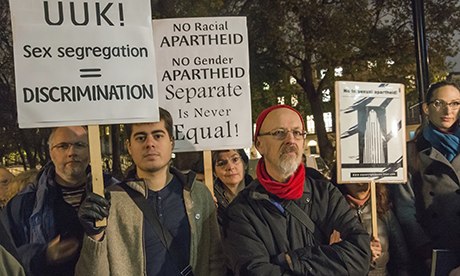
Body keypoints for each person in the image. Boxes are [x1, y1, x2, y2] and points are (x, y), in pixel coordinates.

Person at [222, 104, 371, 275]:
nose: (291, 140)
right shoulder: (241, 212)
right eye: (279, 133)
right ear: (259, 144)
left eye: (298, 133)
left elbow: (359, 255)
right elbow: (255, 272)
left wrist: (290, 261)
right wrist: (330, 258)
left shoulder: (325, 193)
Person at [76, 107, 225, 276]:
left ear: (171, 142)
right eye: (140, 137)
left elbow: (215, 259)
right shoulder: (110, 202)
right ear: (129, 146)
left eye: (158, 135)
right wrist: (94, 237)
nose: (150, 143)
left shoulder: (198, 195)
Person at [0, 126, 118, 276]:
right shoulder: (23, 204)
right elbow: (7, 258)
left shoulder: (115, 193)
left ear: (91, 150)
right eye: (63, 146)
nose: (72, 152)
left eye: (79, 145)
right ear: (51, 152)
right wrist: (43, 254)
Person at [391, 80, 460, 275]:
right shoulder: (410, 153)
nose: (448, 110)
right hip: (434, 255)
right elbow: (405, 210)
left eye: (455, 103)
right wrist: (426, 252)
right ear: (426, 108)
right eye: (439, 103)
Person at [332, 182, 410, 275]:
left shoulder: (383, 210)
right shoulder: (331, 212)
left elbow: (401, 258)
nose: (360, 183)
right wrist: (362, 255)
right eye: (355, 176)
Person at [212, 149, 253, 225]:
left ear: (245, 164)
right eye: (222, 163)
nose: (230, 167)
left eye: (235, 159)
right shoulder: (210, 199)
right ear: (214, 172)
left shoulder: (261, 194)